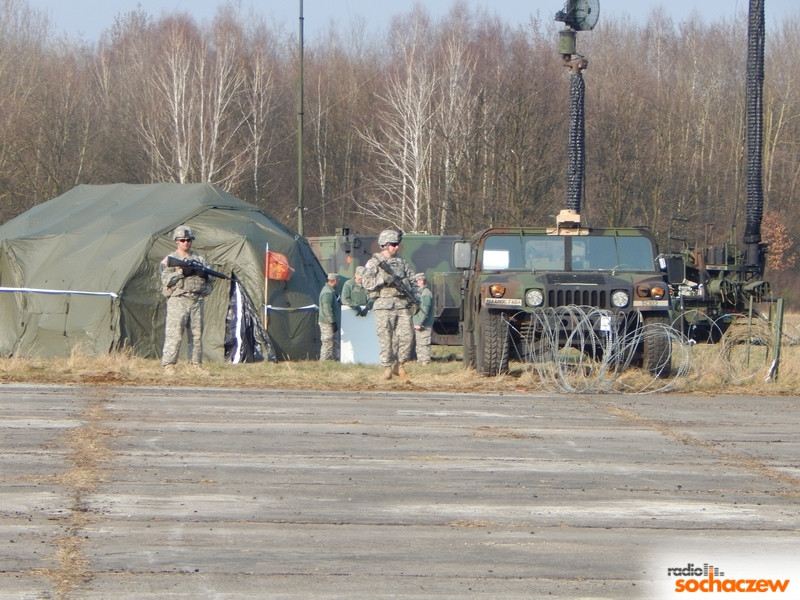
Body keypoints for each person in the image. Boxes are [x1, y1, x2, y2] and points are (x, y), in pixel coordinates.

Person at [361, 229, 418, 380]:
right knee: (385, 337)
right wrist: (382, 280)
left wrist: (415, 297)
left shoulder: (401, 262)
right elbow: (366, 283)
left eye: (397, 244)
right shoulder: (374, 263)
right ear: (385, 245)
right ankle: (387, 367)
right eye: (393, 244)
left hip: (401, 304)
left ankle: (400, 366)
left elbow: (412, 281)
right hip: (383, 305)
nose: (396, 247)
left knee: (407, 336)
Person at [160, 225, 214, 372]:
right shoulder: (170, 260)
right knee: (175, 334)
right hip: (178, 300)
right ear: (176, 241)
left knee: (196, 335)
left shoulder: (200, 259)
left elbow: (210, 281)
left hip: (196, 300)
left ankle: (195, 364)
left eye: (188, 240)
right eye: (182, 240)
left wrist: (204, 279)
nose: (186, 243)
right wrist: (181, 272)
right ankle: (169, 365)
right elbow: (165, 280)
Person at [412, 272, 434, 364]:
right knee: (420, 344)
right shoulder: (422, 292)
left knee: (423, 344)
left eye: (417, 280)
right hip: (420, 323)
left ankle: (425, 362)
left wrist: (420, 323)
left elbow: (425, 309)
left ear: (422, 281)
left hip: (424, 324)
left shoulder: (426, 293)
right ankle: (421, 362)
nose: (416, 282)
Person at [318, 272, 340, 361]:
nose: (338, 282)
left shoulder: (329, 291)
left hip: (329, 322)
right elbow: (326, 309)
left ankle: (334, 360)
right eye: (337, 281)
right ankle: (324, 362)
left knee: (334, 343)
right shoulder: (327, 293)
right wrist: (332, 322)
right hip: (327, 323)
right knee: (327, 343)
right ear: (334, 281)